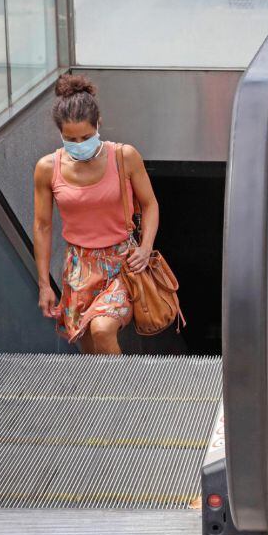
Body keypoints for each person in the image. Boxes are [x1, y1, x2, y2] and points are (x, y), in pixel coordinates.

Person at [33, 74, 159, 354]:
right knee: (89, 349)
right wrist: (44, 284)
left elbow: (150, 204)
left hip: (121, 263)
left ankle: (123, 396)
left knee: (102, 329)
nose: (79, 144)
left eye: (86, 137)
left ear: (98, 124)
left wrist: (146, 247)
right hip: (78, 267)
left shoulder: (124, 157)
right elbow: (42, 226)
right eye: (71, 139)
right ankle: (104, 392)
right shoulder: (47, 167)